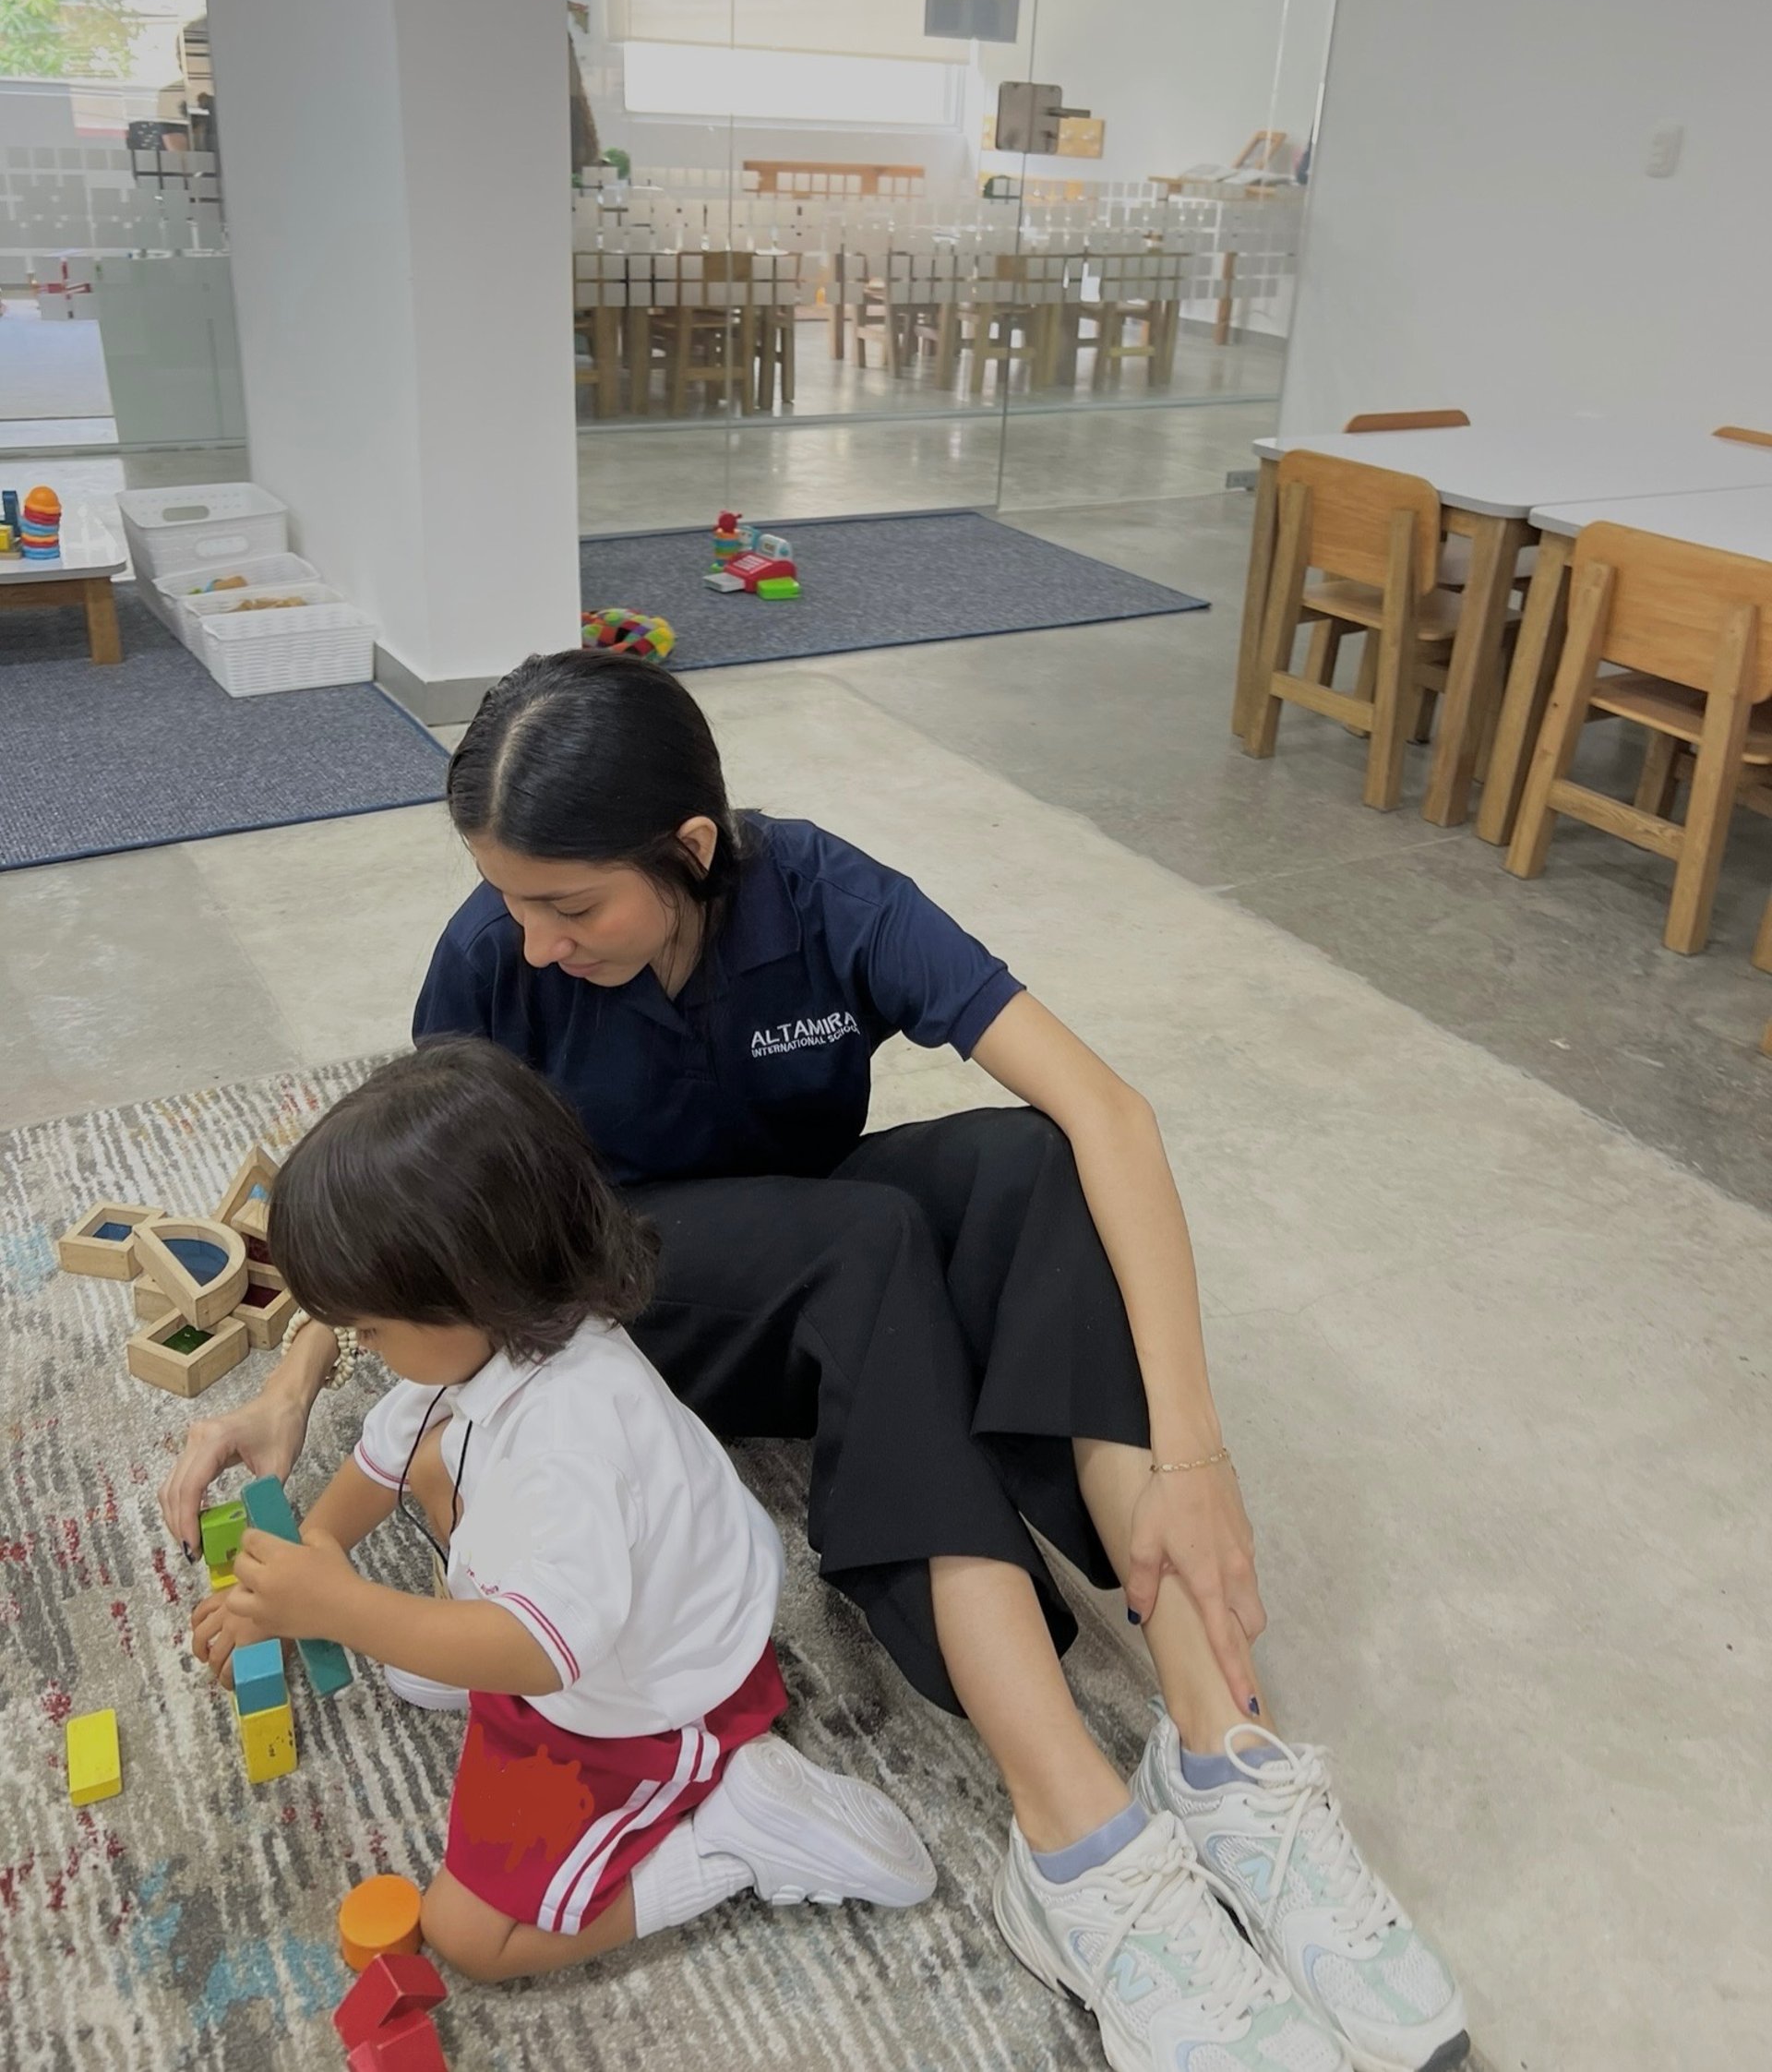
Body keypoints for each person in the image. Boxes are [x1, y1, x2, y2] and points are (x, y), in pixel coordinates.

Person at [164, 650, 1467, 2072]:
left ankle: (1220, 1743)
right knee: (867, 1239)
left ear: (692, 848)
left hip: (797, 1265)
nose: (533, 941)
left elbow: (1111, 1110)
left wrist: (1194, 1452)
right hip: (618, 1314)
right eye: (510, 900)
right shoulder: (494, 957)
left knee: (1032, 1165)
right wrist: (290, 1386)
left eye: (570, 906)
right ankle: (1075, 1836)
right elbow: (421, 1217)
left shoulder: (822, 893)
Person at [191, 1037, 935, 1982]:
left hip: (655, 1700)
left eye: (370, 1327)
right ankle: (459, 1645)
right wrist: (311, 1558)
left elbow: (542, 1655)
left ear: (466, 1287)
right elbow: (383, 1463)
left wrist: (340, 1608)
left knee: (469, 1936)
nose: (362, 1347)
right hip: (612, 1605)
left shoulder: (570, 1440)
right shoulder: (498, 1334)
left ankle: (735, 1838)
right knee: (431, 1461)